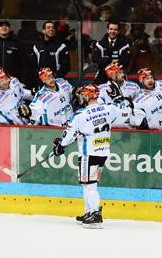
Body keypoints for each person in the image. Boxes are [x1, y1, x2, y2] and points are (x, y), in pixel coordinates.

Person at [52, 84, 127, 228]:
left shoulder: (80, 115)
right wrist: (118, 98)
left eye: (83, 95)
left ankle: (95, 215)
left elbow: (68, 136)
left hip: (88, 154)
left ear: (87, 95)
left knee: (90, 186)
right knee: (89, 184)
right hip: (103, 152)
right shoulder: (109, 108)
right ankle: (88, 211)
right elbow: (125, 112)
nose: (81, 98)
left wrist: (60, 146)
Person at [0, 21, 33, 88]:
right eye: (1, 26)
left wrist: (23, 81)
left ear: (9, 29)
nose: (4, 27)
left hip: (14, 82)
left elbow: (25, 63)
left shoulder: (17, 43)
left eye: (6, 26)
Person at [97, 62, 140, 129]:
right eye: (120, 72)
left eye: (123, 72)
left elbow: (139, 108)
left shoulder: (134, 87)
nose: (123, 75)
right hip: (110, 128)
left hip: (130, 128)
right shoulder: (101, 89)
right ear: (111, 75)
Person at [92, 20, 130, 84]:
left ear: (118, 31)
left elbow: (125, 62)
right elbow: (97, 61)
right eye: (111, 29)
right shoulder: (99, 44)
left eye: (115, 29)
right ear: (107, 30)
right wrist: (112, 61)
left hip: (118, 77)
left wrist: (105, 60)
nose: (113, 31)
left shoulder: (124, 45)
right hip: (102, 77)